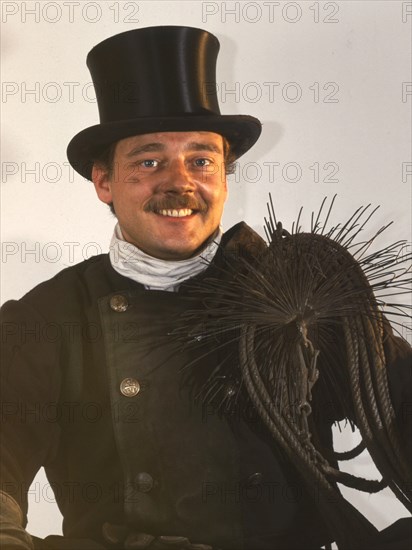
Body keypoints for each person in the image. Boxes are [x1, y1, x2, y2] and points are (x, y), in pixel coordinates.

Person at [1, 26, 411, 550]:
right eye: (149, 162)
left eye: (201, 161)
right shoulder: (45, 320)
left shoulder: (303, 298)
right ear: (104, 181)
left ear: (224, 177)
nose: (180, 182)